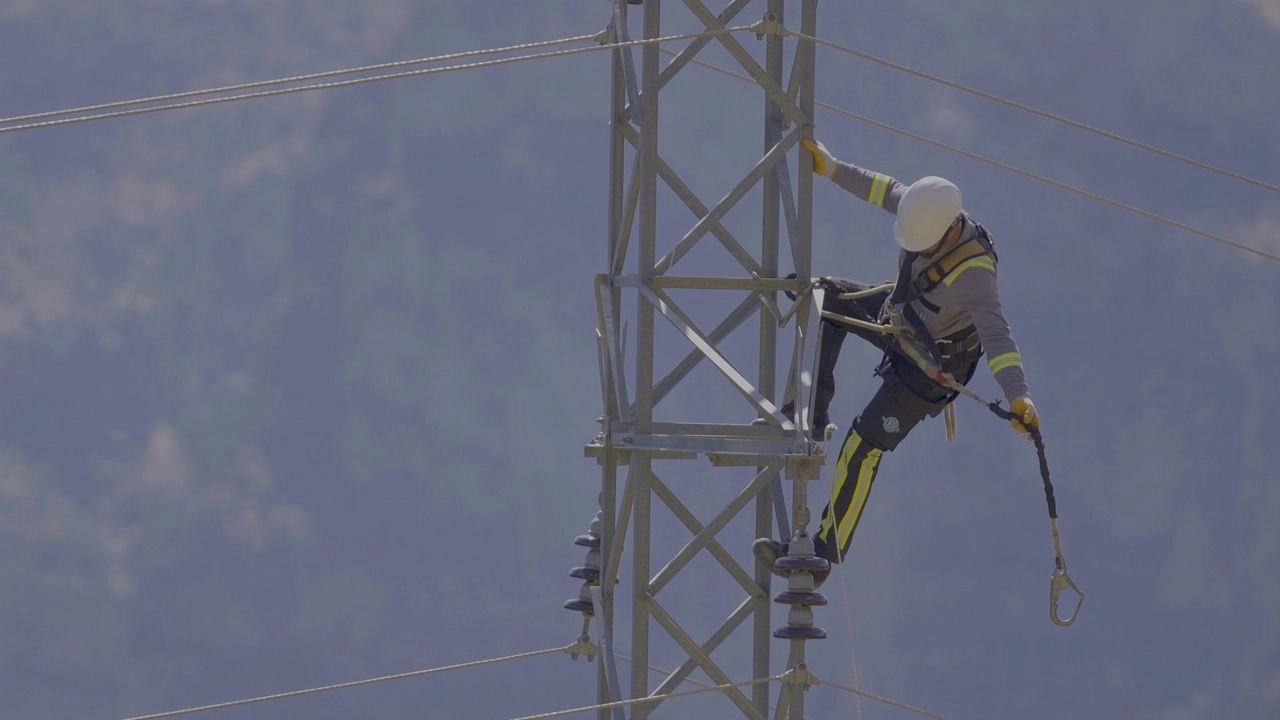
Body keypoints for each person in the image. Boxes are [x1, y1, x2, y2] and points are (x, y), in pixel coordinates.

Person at [754, 137, 1041, 583]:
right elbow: (882, 188)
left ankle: (823, 554)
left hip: (929, 372)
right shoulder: (922, 209)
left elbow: (996, 335)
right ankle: (810, 415)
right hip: (902, 323)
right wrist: (832, 167)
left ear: (946, 232)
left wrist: (1019, 397)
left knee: (863, 445)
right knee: (825, 298)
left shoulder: (975, 274)